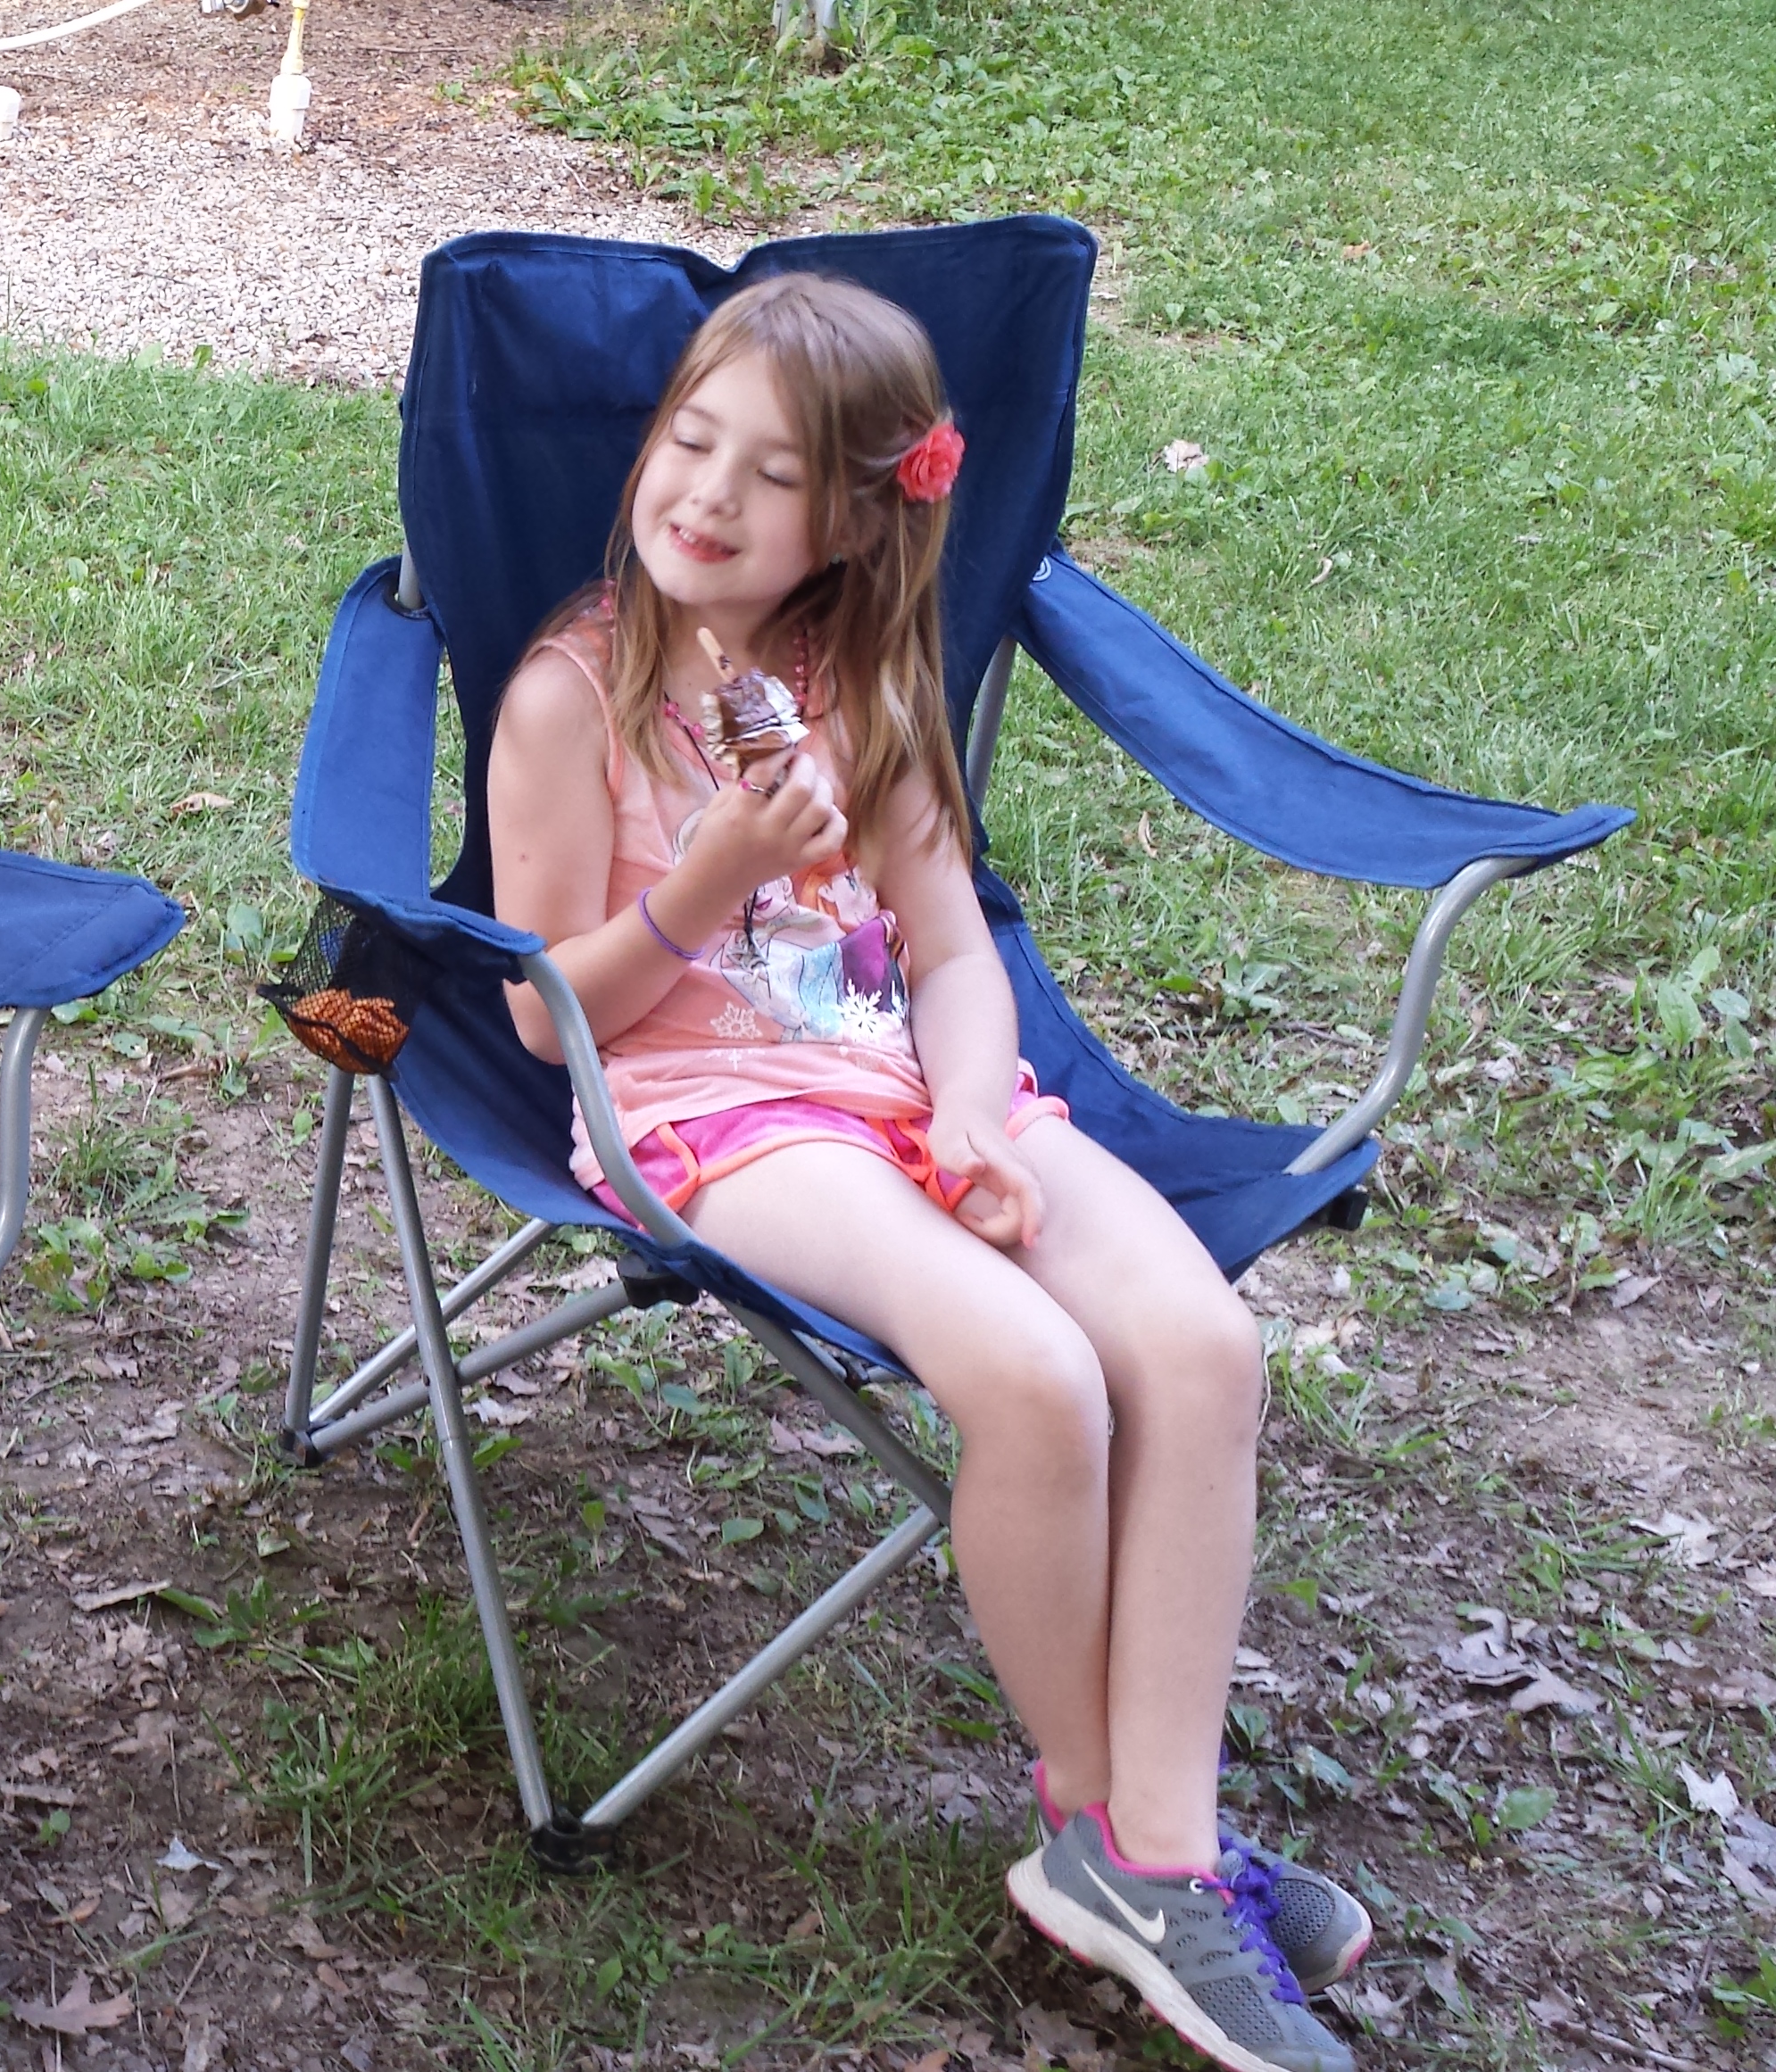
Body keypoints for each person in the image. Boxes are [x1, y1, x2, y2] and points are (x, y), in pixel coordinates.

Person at [483, 276, 1369, 2072]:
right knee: (1036, 1378)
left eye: (774, 475)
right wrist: (712, 878)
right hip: (709, 1116)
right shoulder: (571, 697)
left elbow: (952, 950)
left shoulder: (863, 685)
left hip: (906, 1089)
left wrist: (971, 1108)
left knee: (1202, 1352)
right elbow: (541, 1010)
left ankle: (1156, 1845)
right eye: (689, 441)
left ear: (855, 520)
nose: (709, 494)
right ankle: (1109, 1829)